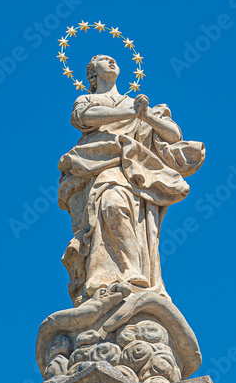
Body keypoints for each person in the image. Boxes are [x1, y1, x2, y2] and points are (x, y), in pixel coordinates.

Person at [58, 53, 205, 306]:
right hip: (101, 166)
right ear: (92, 73)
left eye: (115, 59)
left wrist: (145, 115)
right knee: (110, 205)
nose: (112, 61)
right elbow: (82, 118)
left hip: (135, 172)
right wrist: (129, 113)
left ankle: (133, 275)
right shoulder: (88, 99)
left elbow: (173, 136)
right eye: (104, 59)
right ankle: (107, 278)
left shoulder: (138, 104)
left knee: (133, 221)